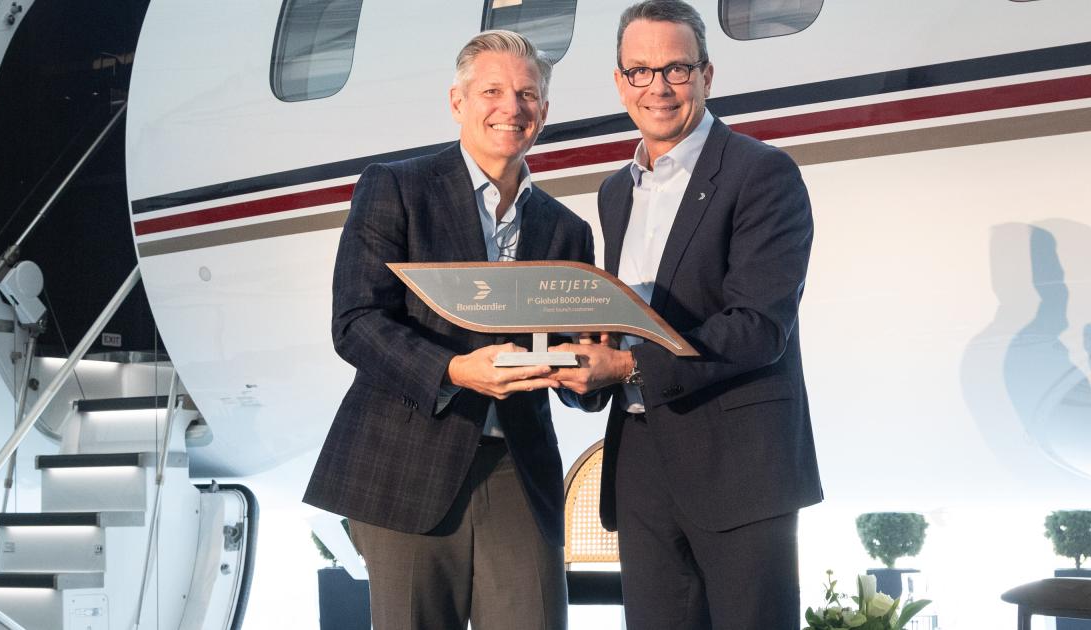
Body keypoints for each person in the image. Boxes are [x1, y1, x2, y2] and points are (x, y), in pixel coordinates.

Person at [304, 30, 593, 630]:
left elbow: (578, 364)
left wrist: (591, 373)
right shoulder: (396, 187)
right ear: (457, 102)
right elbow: (355, 321)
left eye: (527, 94)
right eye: (491, 90)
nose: (510, 108)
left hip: (518, 465)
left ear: (545, 110)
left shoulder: (567, 230)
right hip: (405, 461)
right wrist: (456, 370)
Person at [551, 1, 822, 627]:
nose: (659, 88)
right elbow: (625, 317)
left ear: (707, 75)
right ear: (620, 83)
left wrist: (626, 365)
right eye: (640, 71)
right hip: (642, 462)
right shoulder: (616, 190)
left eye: (676, 68)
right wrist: (580, 357)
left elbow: (757, 327)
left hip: (739, 467)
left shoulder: (762, 174)